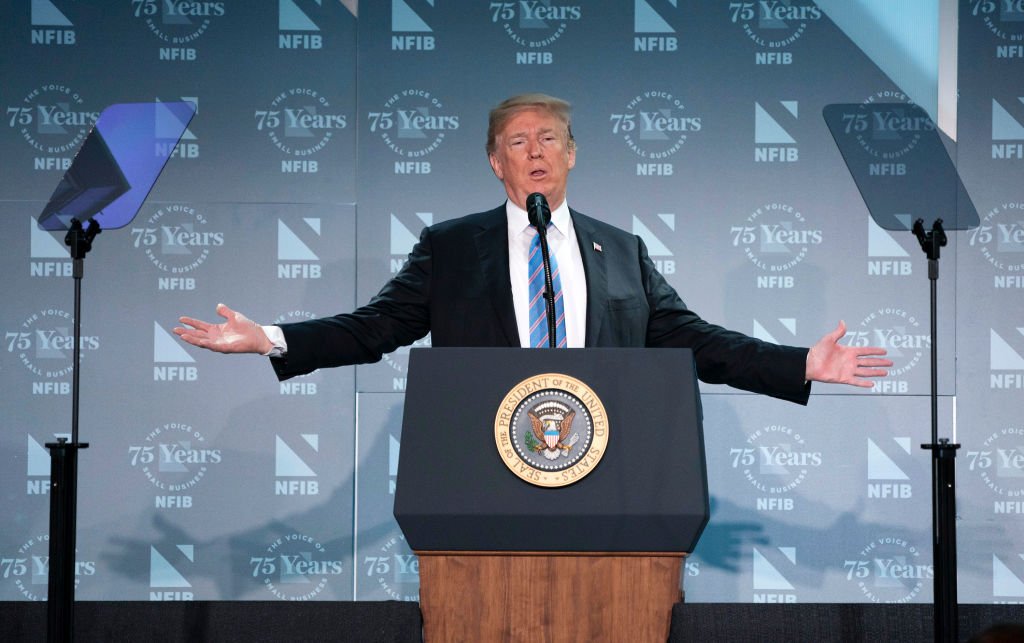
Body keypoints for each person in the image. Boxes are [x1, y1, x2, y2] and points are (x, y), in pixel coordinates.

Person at [175, 93, 891, 403]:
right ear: (497, 163)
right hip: (483, 457)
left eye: (549, 138)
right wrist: (270, 338)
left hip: (605, 457)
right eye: (518, 142)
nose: (536, 151)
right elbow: (377, 327)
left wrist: (800, 363)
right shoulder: (452, 247)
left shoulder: (622, 250)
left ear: (572, 154)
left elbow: (695, 340)